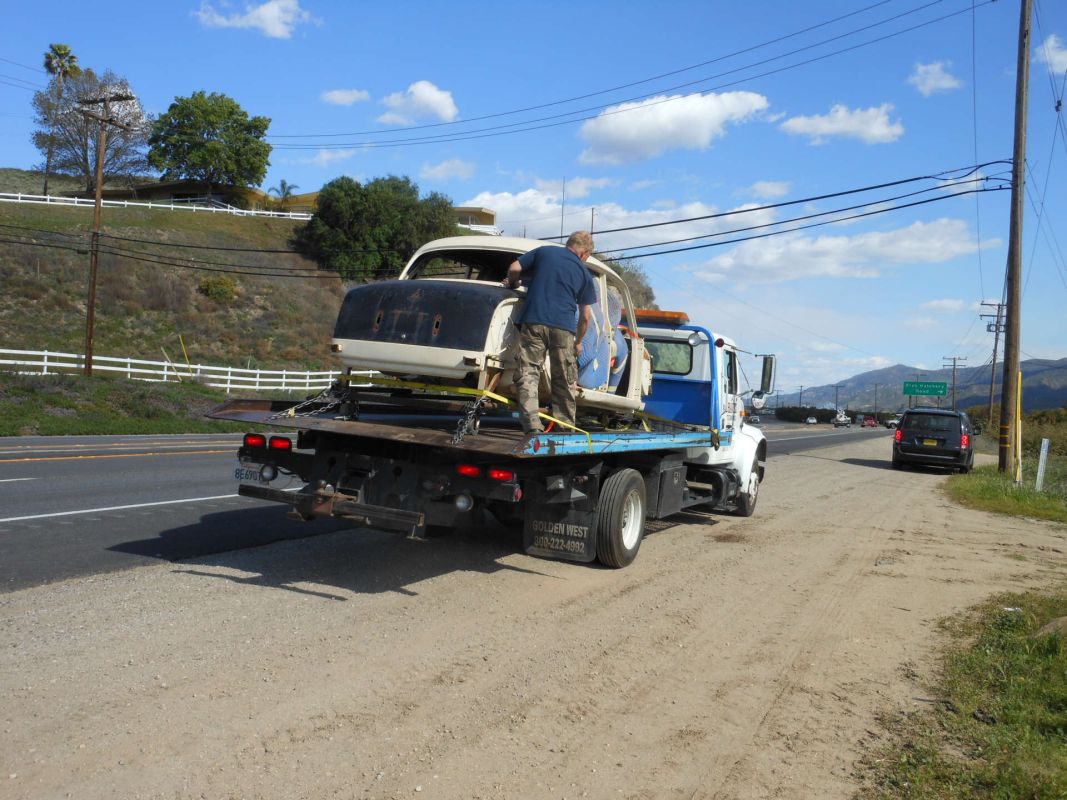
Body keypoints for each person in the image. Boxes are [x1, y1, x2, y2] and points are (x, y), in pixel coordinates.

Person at [504, 231, 597, 434]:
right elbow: (586, 316)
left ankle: (532, 427)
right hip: (564, 327)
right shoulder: (584, 273)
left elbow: (514, 268)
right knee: (564, 378)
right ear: (584, 253)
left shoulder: (544, 252)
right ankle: (564, 428)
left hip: (534, 320)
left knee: (528, 372)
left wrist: (513, 284)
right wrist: (579, 342)